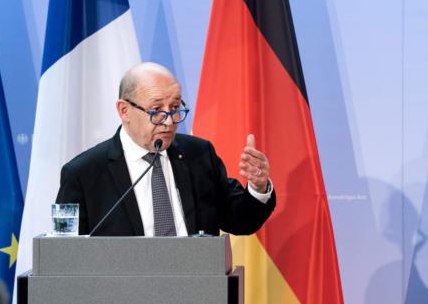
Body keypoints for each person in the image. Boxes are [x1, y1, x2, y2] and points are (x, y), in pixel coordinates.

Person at [56, 62, 275, 236]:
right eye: (156, 110)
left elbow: (240, 221)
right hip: (121, 291)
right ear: (124, 111)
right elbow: (66, 257)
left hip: (197, 287)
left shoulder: (198, 155)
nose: (169, 122)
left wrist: (258, 187)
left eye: (175, 108)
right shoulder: (84, 174)